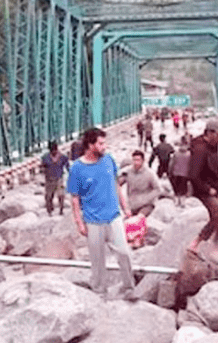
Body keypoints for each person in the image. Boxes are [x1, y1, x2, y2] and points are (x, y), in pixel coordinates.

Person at [67, 127, 135, 299]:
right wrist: (79, 223)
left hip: (114, 216)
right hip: (93, 220)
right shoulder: (77, 168)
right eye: (101, 143)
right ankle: (100, 293)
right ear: (90, 145)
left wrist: (125, 207)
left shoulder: (109, 160)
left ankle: (129, 288)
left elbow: (116, 184)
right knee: (97, 261)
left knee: (124, 253)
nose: (105, 146)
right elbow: (75, 198)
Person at [187, 120, 218, 255]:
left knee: (217, 217)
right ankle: (198, 243)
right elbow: (193, 175)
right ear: (209, 133)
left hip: (213, 188)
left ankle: (210, 245)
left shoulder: (212, 145)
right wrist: (207, 189)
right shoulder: (200, 149)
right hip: (203, 191)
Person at [121, 150, 160, 217]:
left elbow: (158, 189)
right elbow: (117, 183)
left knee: (138, 220)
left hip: (146, 205)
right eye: (134, 160)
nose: (136, 163)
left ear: (143, 161)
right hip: (132, 205)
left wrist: (146, 199)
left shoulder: (150, 173)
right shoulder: (127, 171)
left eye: (138, 160)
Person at [41, 141, 70, 216]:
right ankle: (49, 210)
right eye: (52, 150)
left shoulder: (63, 157)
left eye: (55, 150)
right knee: (49, 196)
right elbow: (42, 167)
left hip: (59, 178)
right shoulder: (45, 157)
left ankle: (61, 210)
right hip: (49, 179)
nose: (54, 152)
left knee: (61, 195)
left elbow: (67, 166)